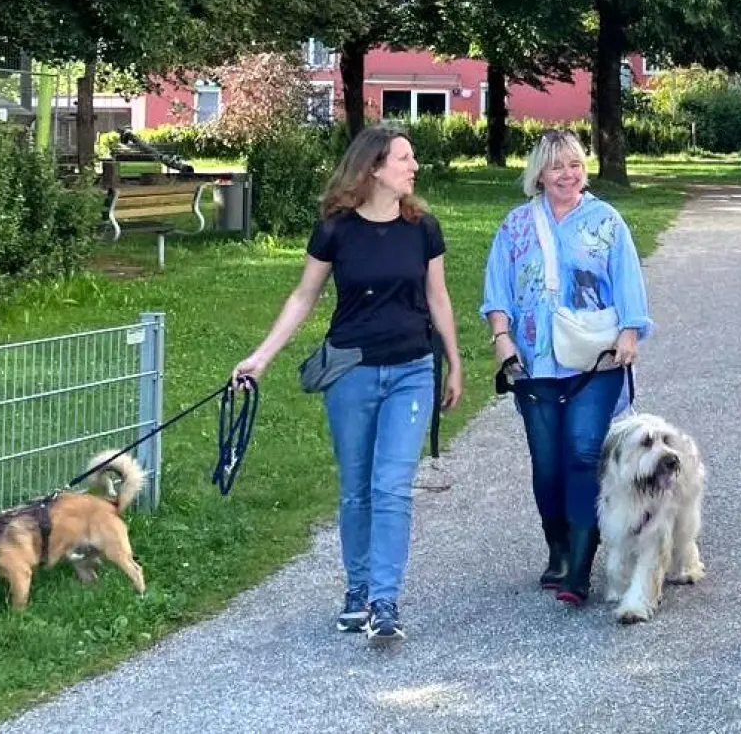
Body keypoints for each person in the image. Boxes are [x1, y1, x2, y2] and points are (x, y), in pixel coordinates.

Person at [233, 126, 462, 643]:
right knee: (357, 489)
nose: (414, 166)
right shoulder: (335, 230)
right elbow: (303, 297)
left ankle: (385, 601)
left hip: (411, 371)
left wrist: (453, 361)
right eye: (405, 158)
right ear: (374, 168)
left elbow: (439, 297)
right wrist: (261, 358)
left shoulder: (423, 226)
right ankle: (357, 591)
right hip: (351, 373)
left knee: (391, 488)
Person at [481, 130, 652, 607]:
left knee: (581, 453)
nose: (567, 174)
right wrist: (502, 338)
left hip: (596, 360)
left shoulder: (607, 222)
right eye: (556, 166)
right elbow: (497, 288)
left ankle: (578, 568)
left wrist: (630, 332)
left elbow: (628, 280)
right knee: (548, 462)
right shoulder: (516, 227)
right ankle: (557, 548)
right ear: (538, 173)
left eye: (575, 164)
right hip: (535, 361)